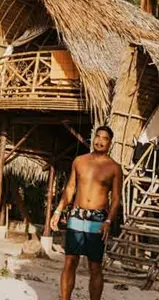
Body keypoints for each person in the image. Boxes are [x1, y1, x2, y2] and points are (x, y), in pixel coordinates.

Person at [49, 126, 122, 300]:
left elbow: (116, 199)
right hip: (76, 215)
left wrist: (108, 222)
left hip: (98, 219)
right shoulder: (79, 161)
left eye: (105, 138)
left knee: (95, 265)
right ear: (93, 138)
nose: (100, 141)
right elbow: (71, 188)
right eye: (97, 136)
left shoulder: (114, 168)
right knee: (70, 262)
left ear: (110, 143)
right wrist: (58, 210)